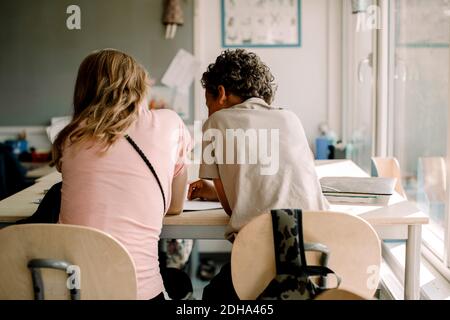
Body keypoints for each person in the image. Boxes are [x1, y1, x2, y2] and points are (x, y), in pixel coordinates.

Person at [187, 49, 329, 300]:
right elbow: (271, 179)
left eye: (207, 102)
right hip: (315, 256)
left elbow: (232, 208)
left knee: (210, 297)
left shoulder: (216, 123)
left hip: (264, 257)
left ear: (220, 93)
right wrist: (213, 191)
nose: (208, 111)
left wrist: (217, 191)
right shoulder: (290, 118)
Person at [53, 49, 192, 300]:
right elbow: (174, 207)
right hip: (141, 293)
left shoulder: (70, 138)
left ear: (84, 90)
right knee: (180, 281)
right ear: (139, 86)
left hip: (74, 292)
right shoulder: (170, 123)